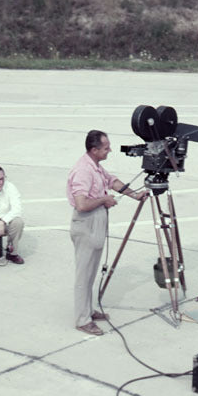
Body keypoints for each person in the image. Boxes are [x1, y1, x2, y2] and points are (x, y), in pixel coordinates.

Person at [66, 130, 147, 336]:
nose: (110, 150)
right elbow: (82, 204)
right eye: (106, 148)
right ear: (94, 150)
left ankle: (87, 310)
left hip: (96, 221)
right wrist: (104, 200)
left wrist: (134, 195)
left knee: (91, 272)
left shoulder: (95, 167)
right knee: (84, 275)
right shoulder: (83, 171)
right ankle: (82, 320)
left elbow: (112, 181)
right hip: (86, 223)